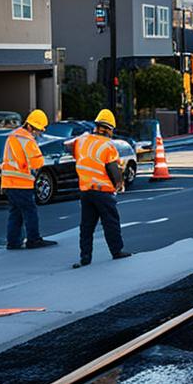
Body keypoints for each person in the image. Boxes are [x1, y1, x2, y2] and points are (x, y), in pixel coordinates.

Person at [67, 109, 131, 268]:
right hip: (103, 191)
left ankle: (85, 257)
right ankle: (117, 251)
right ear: (109, 129)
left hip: (86, 190)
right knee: (111, 223)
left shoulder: (82, 141)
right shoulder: (108, 145)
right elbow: (113, 170)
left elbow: (68, 147)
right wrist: (120, 183)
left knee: (86, 226)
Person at [1, 109, 57, 250]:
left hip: (8, 182)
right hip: (22, 182)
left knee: (15, 213)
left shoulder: (12, 136)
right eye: (37, 130)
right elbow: (38, 163)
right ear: (30, 126)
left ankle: (13, 242)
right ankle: (34, 240)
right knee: (30, 211)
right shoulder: (27, 139)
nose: (38, 133)